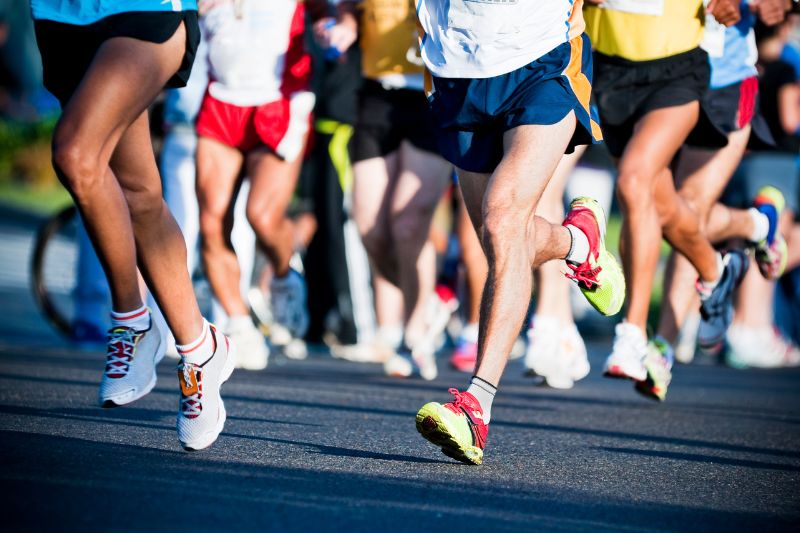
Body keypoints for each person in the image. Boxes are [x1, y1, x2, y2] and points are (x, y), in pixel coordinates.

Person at [413, 0, 624, 465]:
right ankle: (577, 242)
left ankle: (475, 405)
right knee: (502, 243)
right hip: (457, 67)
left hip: (541, 57)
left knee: (503, 219)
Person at [30, 0, 234, 451]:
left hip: (144, 6)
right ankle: (201, 350)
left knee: (76, 154)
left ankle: (132, 320)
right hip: (62, 14)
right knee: (139, 192)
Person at [584, 0, 750, 401]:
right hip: (608, 67)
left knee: (634, 180)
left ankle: (633, 335)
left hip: (679, 67)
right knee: (662, 205)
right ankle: (715, 270)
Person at [316, 0, 454, 380]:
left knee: (409, 223)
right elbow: (347, 7)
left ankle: (414, 332)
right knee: (369, 227)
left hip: (434, 93)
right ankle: (426, 306)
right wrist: (343, 24)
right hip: (376, 94)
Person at [656, 1, 791, 377]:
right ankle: (755, 225)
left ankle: (661, 347)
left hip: (724, 83)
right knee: (656, 208)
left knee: (686, 211)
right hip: (658, 78)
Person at [195, 0, 314, 371]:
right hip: (220, 104)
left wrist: (340, 24)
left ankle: (283, 275)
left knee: (261, 216)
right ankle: (240, 325)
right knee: (211, 224)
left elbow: (336, 12)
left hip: (278, 102)